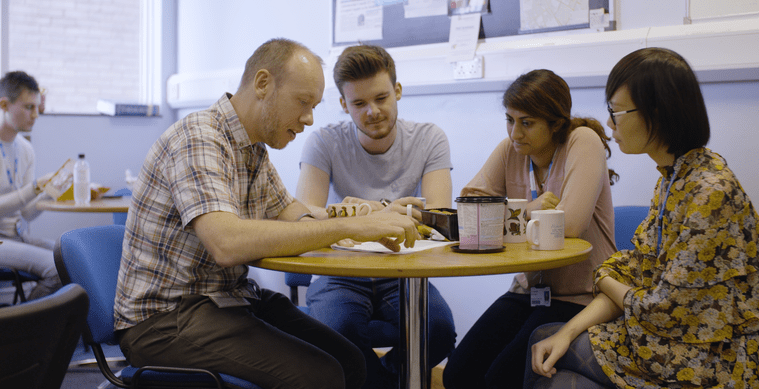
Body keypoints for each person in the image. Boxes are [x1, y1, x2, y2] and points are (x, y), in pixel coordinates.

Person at [114, 38, 422, 389]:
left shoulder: (253, 150)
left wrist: (370, 216)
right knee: (321, 377)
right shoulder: (199, 138)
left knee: (349, 359)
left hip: (226, 299)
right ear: (263, 84)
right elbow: (227, 244)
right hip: (165, 319)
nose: (308, 119)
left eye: (314, 106)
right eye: (303, 103)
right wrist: (350, 225)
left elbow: (296, 216)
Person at [526, 48, 759, 388]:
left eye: (616, 111)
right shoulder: (674, 178)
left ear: (657, 112)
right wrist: (574, 324)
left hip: (719, 359)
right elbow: (636, 270)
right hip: (676, 339)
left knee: (547, 349)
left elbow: (664, 307)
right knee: (553, 356)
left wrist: (601, 277)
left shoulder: (710, 191)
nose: (610, 124)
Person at [443, 69, 617, 389]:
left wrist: (504, 218)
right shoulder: (511, 149)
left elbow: (571, 224)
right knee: (457, 374)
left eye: (527, 122)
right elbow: (469, 212)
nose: (515, 133)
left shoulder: (583, 140)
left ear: (556, 123)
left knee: (500, 378)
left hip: (582, 296)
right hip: (529, 291)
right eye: (509, 120)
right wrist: (529, 211)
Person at [295, 44, 457, 389]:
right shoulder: (323, 142)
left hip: (403, 269)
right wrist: (376, 214)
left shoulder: (429, 139)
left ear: (397, 91)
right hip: (342, 268)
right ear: (343, 105)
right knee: (335, 335)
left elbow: (437, 219)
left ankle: (382, 380)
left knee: (439, 332)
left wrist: (362, 213)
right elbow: (302, 216)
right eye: (359, 103)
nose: (372, 111)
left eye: (382, 98)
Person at [0, 71, 60, 301]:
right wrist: (35, 187)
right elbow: (25, 195)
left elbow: (26, 212)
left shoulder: (25, 149)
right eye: (28, 107)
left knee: (74, 255)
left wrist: (51, 193)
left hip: (15, 236)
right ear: (4, 104)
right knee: (56, 269)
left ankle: (30, 325)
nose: (35, 115)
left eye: (37, 107)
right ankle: (23, 328)